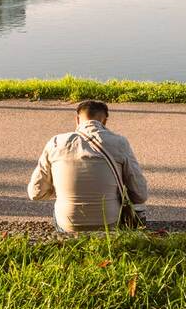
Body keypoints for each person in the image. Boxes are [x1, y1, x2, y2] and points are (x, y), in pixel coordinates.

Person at [28, 99, 148, 232]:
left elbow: (35, 193)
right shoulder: (119, 143)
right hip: (110, 222)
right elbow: (140, 194)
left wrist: (61, 190)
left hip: (67, 224)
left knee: (61, 207)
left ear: (77, 120)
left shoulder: (56, 142)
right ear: (105, 121)